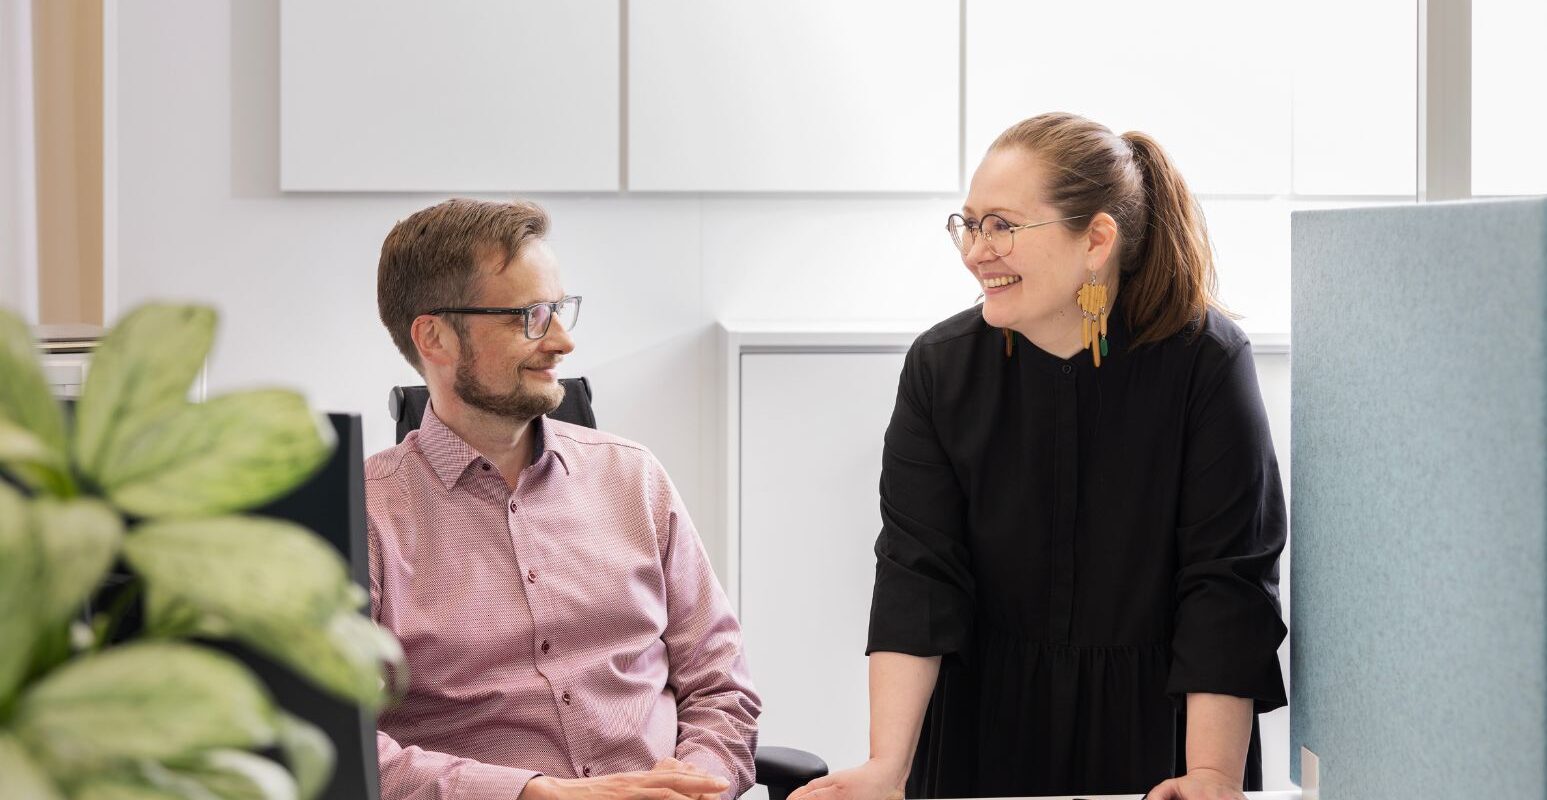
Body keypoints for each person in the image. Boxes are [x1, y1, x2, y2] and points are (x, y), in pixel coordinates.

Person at [794, 113, 1287, 800]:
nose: (975, 250)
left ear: (1097, 240)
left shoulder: (1206, 362)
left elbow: (1226, 585)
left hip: (1163, 735)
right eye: (968, 224)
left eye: (1002, 225)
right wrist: (887, 767)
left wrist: (1210, 774)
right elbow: (918, 575)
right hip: (982, 730)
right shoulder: (941, 368)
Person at [368, 198, 760, 800]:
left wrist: (698, 782)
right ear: (435, 337)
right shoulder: (366, 514)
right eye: (530, 316)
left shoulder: (633, 479)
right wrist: (532, 794)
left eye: (558, 309)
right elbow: (342, 744)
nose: (562, 341)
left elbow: (720, 684)